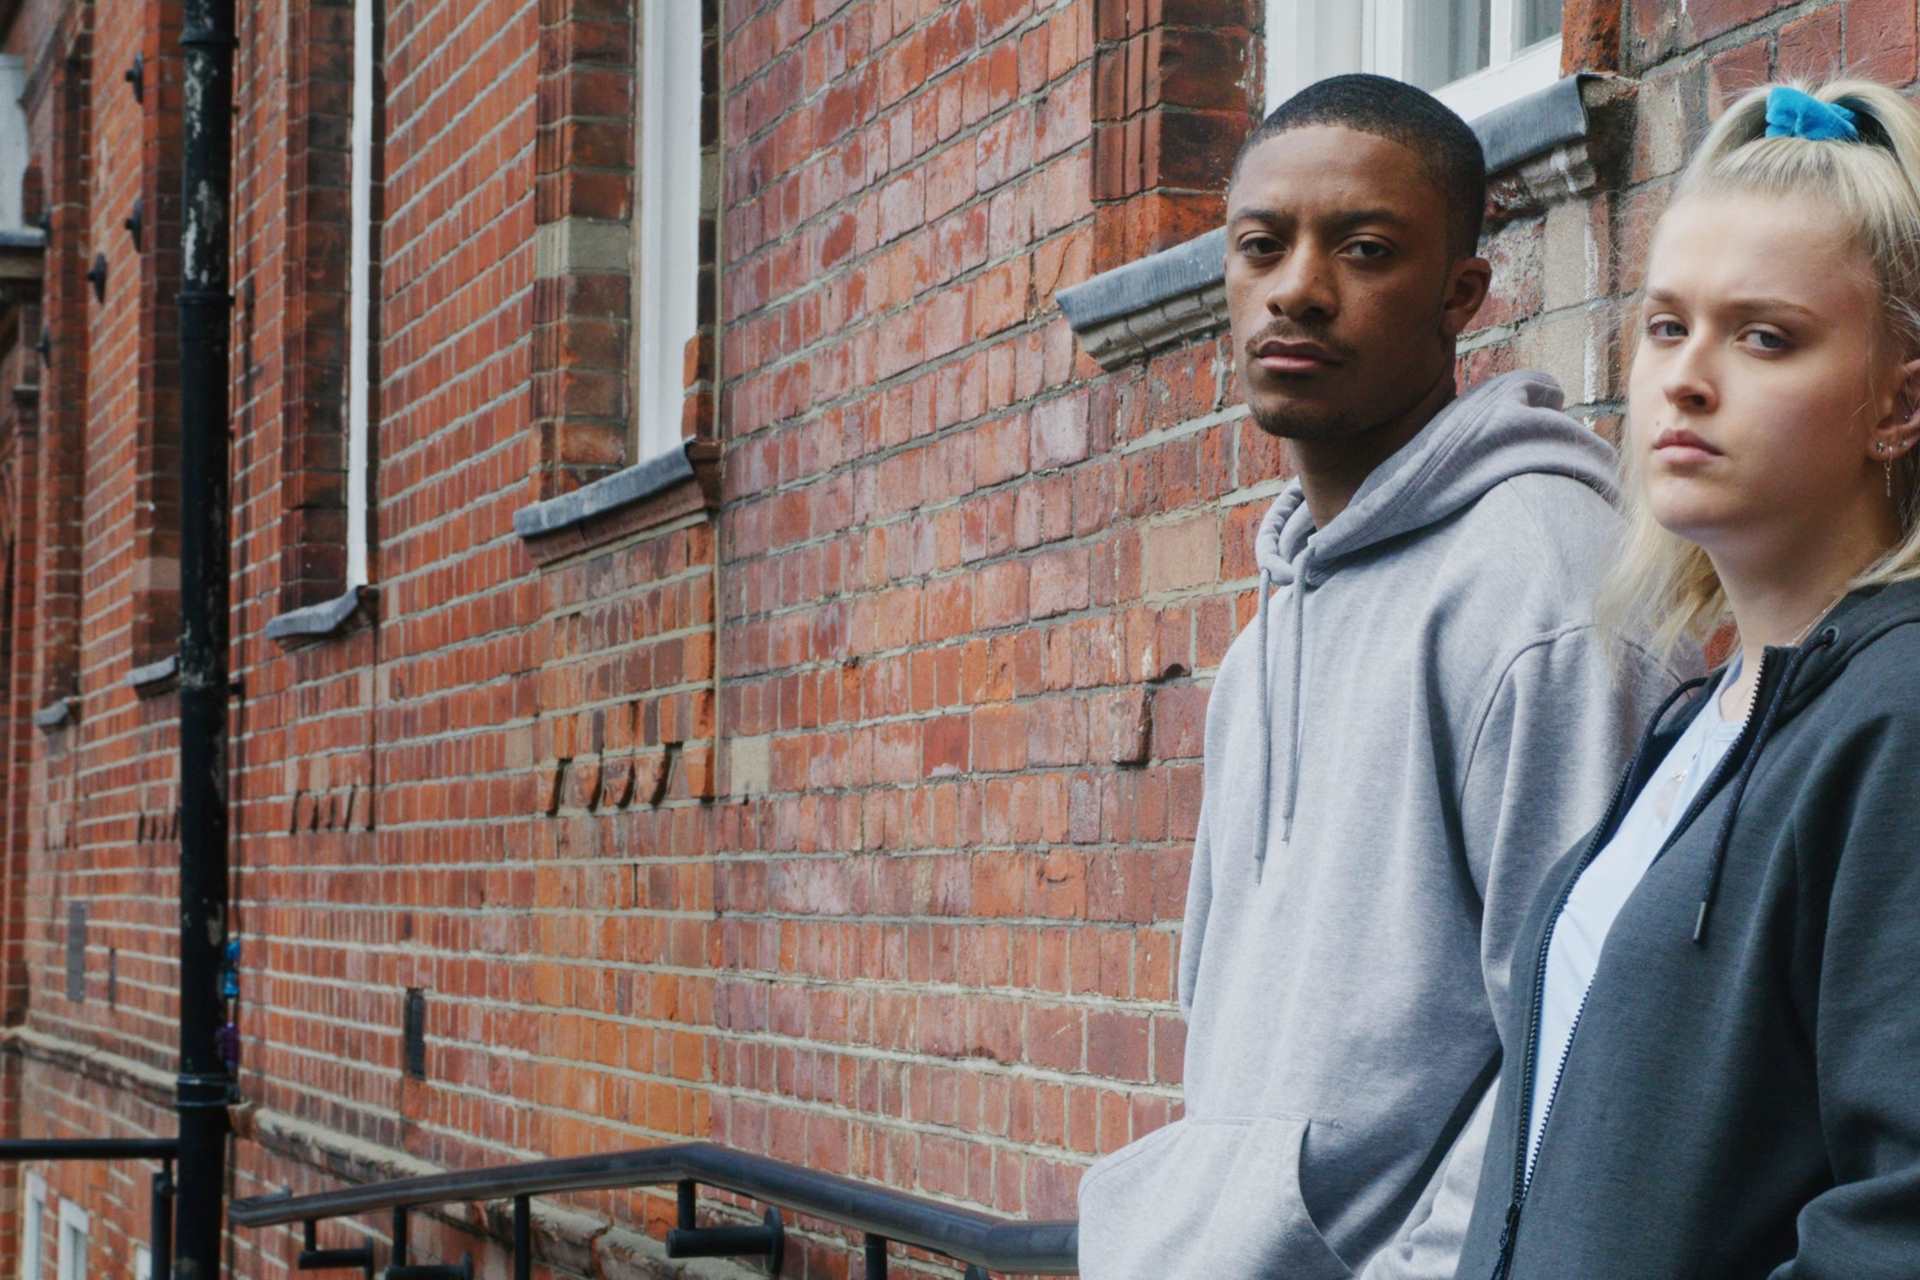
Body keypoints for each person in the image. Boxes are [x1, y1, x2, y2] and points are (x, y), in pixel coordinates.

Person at [1073, 76, 1692, 1280]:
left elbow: (1585, 1042)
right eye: (1262, 246)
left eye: (1363, 248)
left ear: (1462, 293)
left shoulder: (1546, 592)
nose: (1298, 287)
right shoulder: (1262, 638)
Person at [1454, 78, 1920, 1280]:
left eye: (1765, 335)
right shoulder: (1697, 719)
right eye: (1667, 326)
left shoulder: (1901, 712)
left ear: (1900, 401)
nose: (1687, 378)